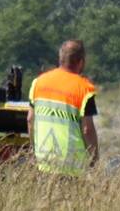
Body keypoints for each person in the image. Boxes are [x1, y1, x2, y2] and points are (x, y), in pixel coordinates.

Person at [27, 40, 98, 175]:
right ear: (81, 62)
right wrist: (94, 161)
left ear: (60, 58)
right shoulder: (84, 89)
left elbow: (30, 120)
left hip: (43, 162)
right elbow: (87, 130)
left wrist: (34, 150)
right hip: (72, 166)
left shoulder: (38, 82)